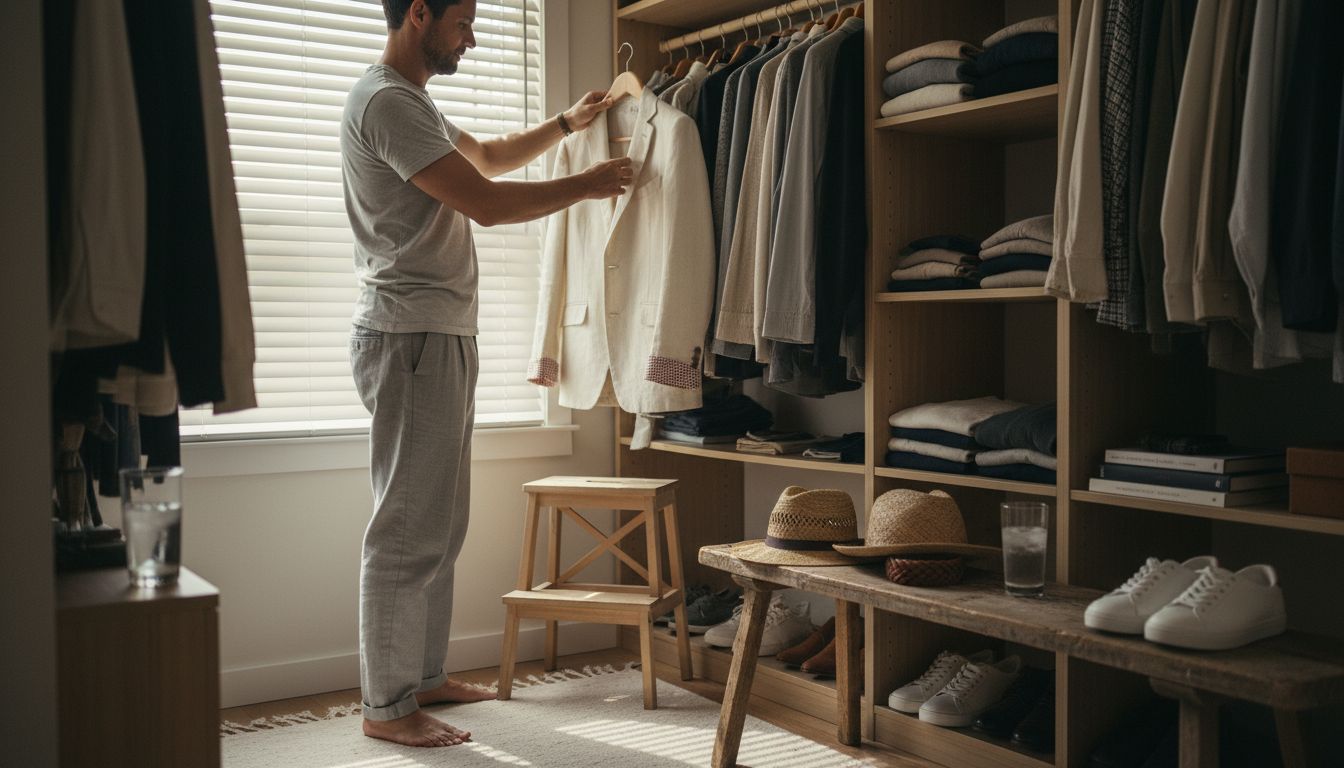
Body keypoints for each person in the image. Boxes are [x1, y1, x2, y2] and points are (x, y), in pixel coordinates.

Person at [340, 0, 632, 748]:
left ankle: (422, 676)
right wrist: (586, 184)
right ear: (417, 14)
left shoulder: (415, 104)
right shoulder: (385, 103)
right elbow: (488, 204)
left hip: (439, 333)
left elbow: (494, 158)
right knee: (406, 527)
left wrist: (567, 124)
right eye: (463, 21)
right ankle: (385, 706)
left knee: (440, 521)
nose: (472, 35)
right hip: (410, 336)